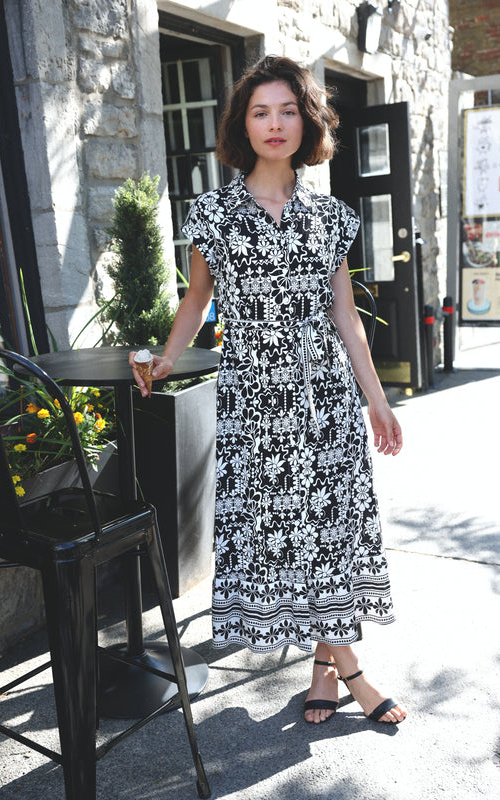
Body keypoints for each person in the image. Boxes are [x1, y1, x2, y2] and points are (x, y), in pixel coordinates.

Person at [130, 55, 407, 726]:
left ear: (305, 122)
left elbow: (345, 314)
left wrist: (375, 397)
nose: (274, 123)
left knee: (330, 531)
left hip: (325, 395)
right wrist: (167, 358)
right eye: (260, 112)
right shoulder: (213, 214)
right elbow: (197, 299)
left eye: (287, 110)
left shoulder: (332, 216)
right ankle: (353, 673)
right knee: (293, 532)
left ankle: (325, 667)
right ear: (242, 125)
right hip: (256, 400)